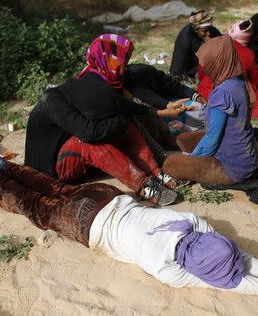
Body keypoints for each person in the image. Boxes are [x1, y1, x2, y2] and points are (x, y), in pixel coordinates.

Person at [0, 152, 258, 306]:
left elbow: (238, 258)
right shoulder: (168, 270)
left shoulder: (192, 224)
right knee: (33, 206)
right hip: (86, 225)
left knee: (53, 187)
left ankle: (0, 164)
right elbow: (240, 280)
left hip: (108, 197)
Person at [24, 34, 182, 206]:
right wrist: (120, 120)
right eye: (120, 64)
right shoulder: (54, 102)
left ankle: (156, 171)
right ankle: (144, 186)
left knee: (122, 123)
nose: (123, 69)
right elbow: (88, 133)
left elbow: (124, 106)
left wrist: (159, 112)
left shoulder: (87, 88)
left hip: (72, 147)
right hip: (52, 170)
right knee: (90, 143)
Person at [163, 36, 258, 185]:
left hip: (231, 168)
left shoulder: (223, 92)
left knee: (169, 165)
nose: (204, 67)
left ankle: (196, 164)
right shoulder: (238, 81)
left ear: (217, 62)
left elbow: (213, 139)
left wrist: (191, 158)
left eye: (207, 63)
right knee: (183, 139)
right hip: (245, 156)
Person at [197, 19, 258, 119]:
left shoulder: (214, 43)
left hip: (210, 90)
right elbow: (256, 80)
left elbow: (202, 70)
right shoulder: (248, 53)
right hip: (235, 91)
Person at [170, 10, 221, 78]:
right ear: (196, 29)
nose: (208, 33)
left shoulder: (212, 31)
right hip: (192, 72)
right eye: (205, 31)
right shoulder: (185, 39)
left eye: (210, 29)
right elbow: (177, 71)